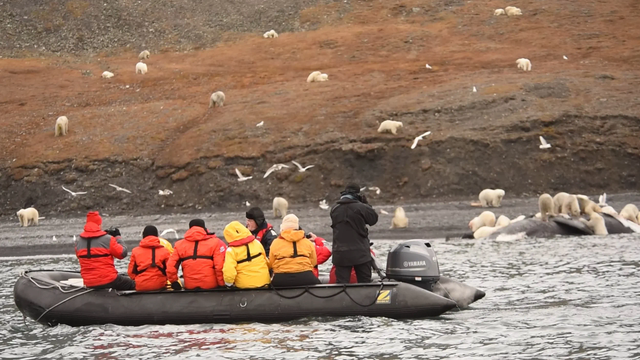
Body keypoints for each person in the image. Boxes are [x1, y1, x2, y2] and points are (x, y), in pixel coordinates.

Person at [330, 184, 379, 283]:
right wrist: (366, 204)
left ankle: (343, 298)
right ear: (357, 194)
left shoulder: (335, 208)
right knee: (365, 282)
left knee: (341, 285)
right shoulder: (361, 207)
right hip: (360, 252)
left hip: (340, 253)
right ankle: (365, 298)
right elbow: (373, 220)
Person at [74, 211, 135, 290]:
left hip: (89, 282)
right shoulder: (107, 239)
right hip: (108, 280)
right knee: (133, 284)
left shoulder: (78, 241)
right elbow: (122, 254)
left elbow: (80, 257)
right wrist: (117, 237)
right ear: (99, 224)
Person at [166, 219, 227, 290]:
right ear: (204, 228)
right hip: (210, 285)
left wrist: (174, 282)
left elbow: (170, 267)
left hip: (190, 286)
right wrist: (222, 285)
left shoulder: (179, 244)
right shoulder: (215, 243)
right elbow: (219, 267)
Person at [269, 214, 320, 287]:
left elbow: (271, 263)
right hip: (305, 277)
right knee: (320, 288)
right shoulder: (307, 242)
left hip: (281, 278)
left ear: (283, 227)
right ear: (297, 226)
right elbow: (313, 262)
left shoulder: (275, 243)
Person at [222, 221, 271, 289]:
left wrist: (228, 284)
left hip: (244, 287)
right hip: (264, 283)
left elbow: (229, 271)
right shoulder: (256, 243)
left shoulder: (231, 251)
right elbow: (266, 261)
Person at [127, 225, 171, 291]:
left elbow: (131, 272)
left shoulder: (135, 251)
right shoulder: (165, 251)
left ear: (143, 236)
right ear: (157, 236)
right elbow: (170, 271)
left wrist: (138, 280)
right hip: (160, 285)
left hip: (141, 286)